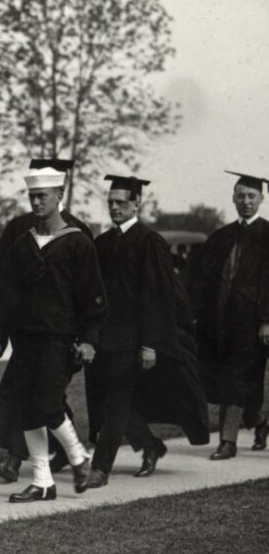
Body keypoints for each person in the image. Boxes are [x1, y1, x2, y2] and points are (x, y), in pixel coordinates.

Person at [0, 160, 106, 502]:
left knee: (47, 403)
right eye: (32, 196)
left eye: (43, 196)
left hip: (61, 338)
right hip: (25, 337)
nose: (37, 202)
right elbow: (8, 295)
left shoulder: (78, 241)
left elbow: (93, 297)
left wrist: (89, 338)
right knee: (27, 406)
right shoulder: (22, 242)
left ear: (59, 195)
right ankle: (42, 481)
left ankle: (79, 458)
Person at [78, 175, 208, 491]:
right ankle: (149, 444)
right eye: (110, 203)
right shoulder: (103, 242)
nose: (114, 208)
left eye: (121, 202)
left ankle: (100, 469)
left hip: (134, 339)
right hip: (104, 339)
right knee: (108, 401)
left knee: (118, 402)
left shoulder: (150, 242)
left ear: (137, 203)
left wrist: (150, 344)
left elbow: (158, 297)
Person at [189, 171, 269, 460]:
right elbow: (201, 278)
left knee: (237, 379)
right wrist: (195, 314)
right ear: (233, 198)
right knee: (228, 379)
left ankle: (228, 441)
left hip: (252, 322)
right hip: (220, 322)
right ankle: (259, 422)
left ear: (262, 198)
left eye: (252, 196)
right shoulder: (221, 236)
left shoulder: (267, 234)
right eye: (241, 196)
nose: (246, 201)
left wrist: (266, 319)